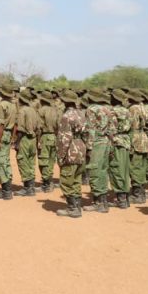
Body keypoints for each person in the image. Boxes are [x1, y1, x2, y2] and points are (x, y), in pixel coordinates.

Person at [55, 89, 87, 218]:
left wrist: (61, 156)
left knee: (67, 179)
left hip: (71, 149)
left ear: (65, 101)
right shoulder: (81, 114)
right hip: (81, 147)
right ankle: (77, 206)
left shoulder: (66, 116)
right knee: (77, 179)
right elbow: (88, 133)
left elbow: (64, 138)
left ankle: (72, 208)